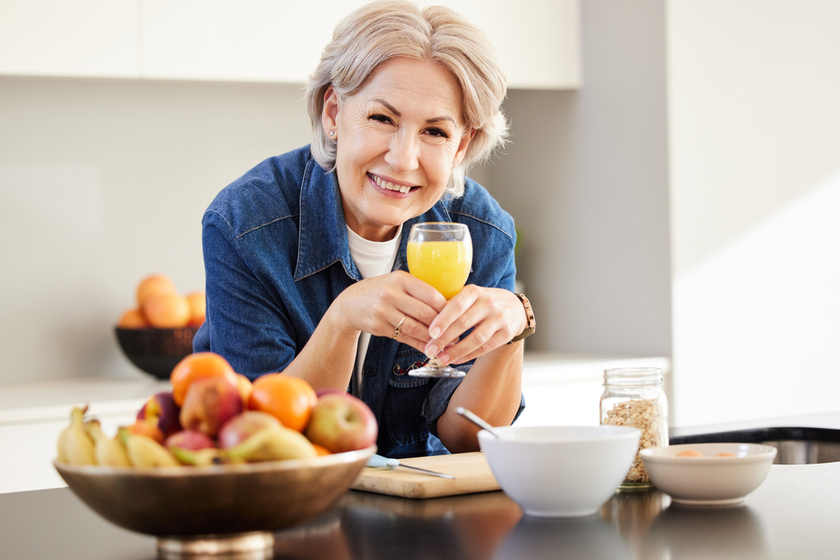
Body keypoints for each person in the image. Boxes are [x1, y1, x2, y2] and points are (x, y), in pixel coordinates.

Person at [193, 0, 535, 458]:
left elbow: (469, 438)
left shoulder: (482, 230)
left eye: (435, 132)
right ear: (334, 114)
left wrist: (513, 329)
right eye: (381, 118)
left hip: (421, 515)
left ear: (461, 146)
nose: (403, 158)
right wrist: (343, 319)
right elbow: (259, 442)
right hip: (281, 512)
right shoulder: (246, 225)